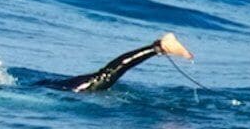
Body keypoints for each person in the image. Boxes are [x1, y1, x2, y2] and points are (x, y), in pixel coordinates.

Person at [36, 33, 191, 94]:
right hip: (48, 86)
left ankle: (158, 47)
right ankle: (157, 47)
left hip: (55, 88)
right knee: (104, 76)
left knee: (105, 76)